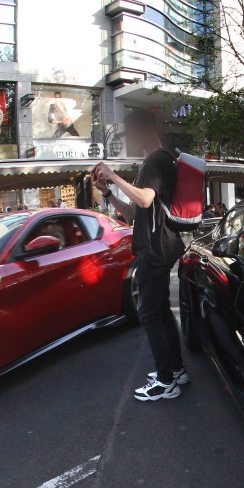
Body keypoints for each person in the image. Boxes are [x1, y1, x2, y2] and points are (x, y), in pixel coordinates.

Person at [91, 108, 185, 401]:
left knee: (148, 314)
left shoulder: (157, 159)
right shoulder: (157, 160)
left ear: (144, 130)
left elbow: (144, 199)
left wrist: (112, 174)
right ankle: (176, 369)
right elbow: (134, 212)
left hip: (154, 250)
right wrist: (107, 193)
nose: (128, 139)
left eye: (130, 133)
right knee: (159, 312)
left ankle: (166, 380)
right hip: (158, 245)